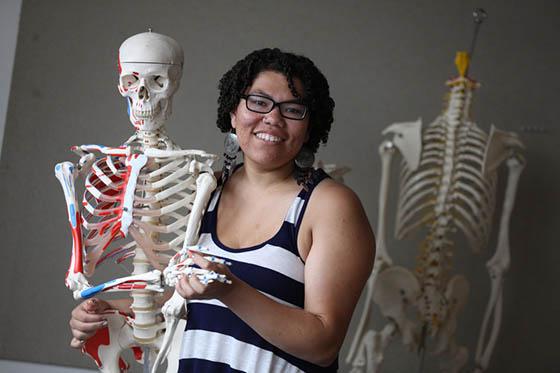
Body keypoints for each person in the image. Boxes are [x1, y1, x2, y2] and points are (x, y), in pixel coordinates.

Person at [69, 48, 375, 372]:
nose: (272, 118)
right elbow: (186, 301)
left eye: (293, 109)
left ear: (310, 126)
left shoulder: (329, 206)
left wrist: (230, 289)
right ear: (232, 112)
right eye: (258, 102)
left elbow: (323, 344)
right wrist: (110, 310)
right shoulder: (205, 191)